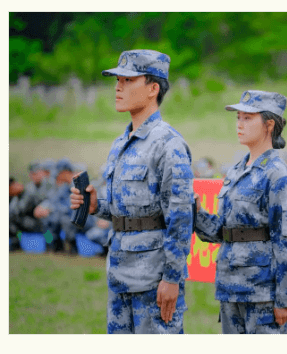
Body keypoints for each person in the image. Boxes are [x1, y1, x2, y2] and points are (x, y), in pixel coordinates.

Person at [70, 49, 194, 334]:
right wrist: (94, 205)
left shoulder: (168, 144)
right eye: (117, 80)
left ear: (153, 88)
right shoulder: (121, 143)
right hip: (119, 274)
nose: (118, 86)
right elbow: (124, 208)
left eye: (128, 80)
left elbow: (180, 218)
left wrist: (172, 278)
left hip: (153, 280)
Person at [194, 90, 287, 334]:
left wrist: (284, 298)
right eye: (238, 118)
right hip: (230, 288)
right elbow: (221, 232)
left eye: (247, 118)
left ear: (269, 125)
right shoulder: (235, 171)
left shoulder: (278, 174)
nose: (240, 124)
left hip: (262, 293)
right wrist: (197, 212)